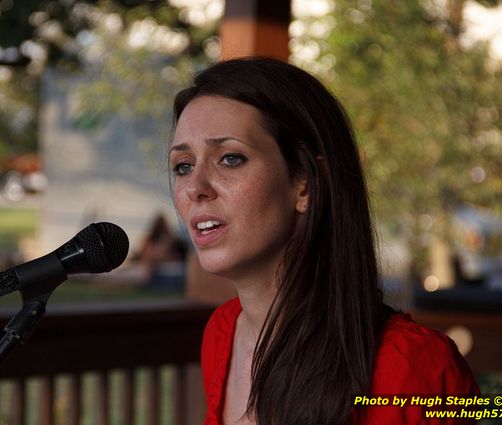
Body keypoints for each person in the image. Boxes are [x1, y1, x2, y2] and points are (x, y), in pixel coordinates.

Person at [169, 57, 478, 425]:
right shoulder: (223, 332)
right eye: (183, 166)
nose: (195, 188)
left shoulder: (411, 365)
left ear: (306, 184)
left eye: (230, 158)